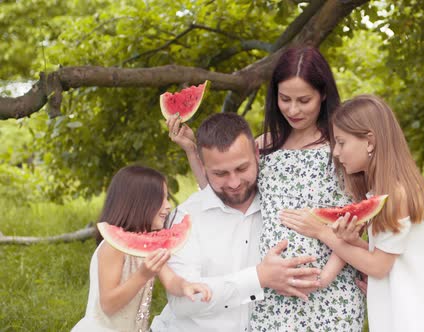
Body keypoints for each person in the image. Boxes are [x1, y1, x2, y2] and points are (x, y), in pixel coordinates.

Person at [167, 47, 366, 331]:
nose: (293, 110)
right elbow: (226, 192)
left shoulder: (340, 147)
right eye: (285, 99)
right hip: (272, 292)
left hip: (329, 291)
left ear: (323, 94)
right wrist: (190, 150)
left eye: (304, 100)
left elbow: (356, 219)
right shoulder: (265, 146)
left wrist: (324, 277)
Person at [280, 94, 424, 332]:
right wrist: (354, 242)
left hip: (412, 318)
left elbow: (378, 266)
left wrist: (322, 232)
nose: (336, 152)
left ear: (370, 141)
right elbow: (391, 256)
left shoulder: (396, 194)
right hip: (402, 308)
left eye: (342, 142)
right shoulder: (387, 189)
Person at [151, 113, 322, 332]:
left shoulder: (282, 206)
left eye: (242, 169)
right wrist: (259, 277)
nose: (233, 183)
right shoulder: (183, 218)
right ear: (202, 169)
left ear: (258, 156)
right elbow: (183, 303)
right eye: (220, 173)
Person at [72, 165, 211, 332]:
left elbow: (171, 280)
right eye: (162, 198)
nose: (168, 206)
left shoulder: (148, 245)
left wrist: (185, 286)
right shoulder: (112, 247)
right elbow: (108, 305)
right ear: (140, 202)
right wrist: (143, 275)